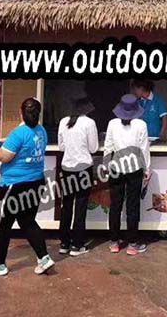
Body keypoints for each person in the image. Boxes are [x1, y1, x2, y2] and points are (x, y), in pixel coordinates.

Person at [0, 97, 54, 277]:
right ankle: (44, 258)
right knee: (27, 222)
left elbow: (4, 156)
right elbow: (16, 145)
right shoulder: (41, 131)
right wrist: (3, 142)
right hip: (36, 182)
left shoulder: (19, 133)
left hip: (15, 185)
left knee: (2, 224)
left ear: (20, 113)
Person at [104, 94, 150, 255]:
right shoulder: (141, 125)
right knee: (133, 206)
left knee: (115, 205)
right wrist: (147, 169)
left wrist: (105, 166)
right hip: (135, 169)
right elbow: (144, 149)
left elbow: (108, 146)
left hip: (116, 168)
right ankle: (132, 244)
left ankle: (114, 242)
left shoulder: (112, 124)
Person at [57, 97, 98, 256]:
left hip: (67, 167)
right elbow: (93, 148)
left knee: (66, 205)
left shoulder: (63, 121)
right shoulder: (89, 123)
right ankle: (77, 245)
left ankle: (64, 243)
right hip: (83, 168)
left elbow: (61, 147)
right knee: (80, 206)